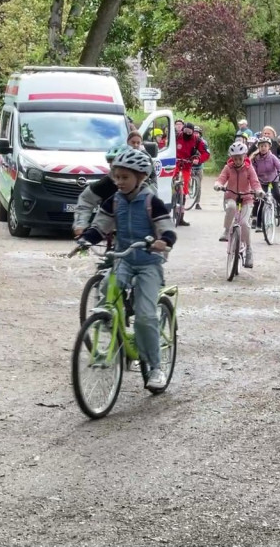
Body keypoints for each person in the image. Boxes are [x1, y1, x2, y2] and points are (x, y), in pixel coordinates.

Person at [77, 149, 177, 389]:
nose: (119, 182)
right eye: (116, 177)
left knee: (145, 315)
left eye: (124, 177)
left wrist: (165, 241)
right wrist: (86, 238)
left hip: (148, 264)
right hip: (124, 259)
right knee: (105, 288)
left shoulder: (151, 201)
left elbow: (167, 228)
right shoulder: (115, 200)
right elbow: (101, 225)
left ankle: (155, 368)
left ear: (140, 177)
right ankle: (111, 327)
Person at [73, 137, 158, 237]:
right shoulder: (104, 184)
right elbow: (86, 201)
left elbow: (159, 217)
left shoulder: (145, 188)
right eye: (112, 164)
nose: (115, 169)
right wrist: (81, 225)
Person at [214, 142, 262, 268]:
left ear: (244, 156)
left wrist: (259, 191)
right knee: (231, 207)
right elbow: (222, 178)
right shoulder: (228, 167)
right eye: (235, 158)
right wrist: (218, 184)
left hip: (246, 198)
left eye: (240, 158)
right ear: (231, 158)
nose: (237, 160)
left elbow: (255, 182)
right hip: (231, 196)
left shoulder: (249, 168)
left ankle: (249, 250)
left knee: (245, 224)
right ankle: (226, 230)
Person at [250, 136, 280, 223]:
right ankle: (255, 219)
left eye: (265, 146)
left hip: (272, 179)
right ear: (258, 147)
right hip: (261, 180)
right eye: (261, 146)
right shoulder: (255, 159)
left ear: (269, 147)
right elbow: (252, 171)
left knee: (277, 194)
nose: (263, 148)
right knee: (259, 199)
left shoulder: (272, 157)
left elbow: (279, 166)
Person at [173, 122, 208, 226]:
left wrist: (199, 159)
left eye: (189, 132)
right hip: (176, 164)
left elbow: (206, 153)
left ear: (192, 132)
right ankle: (171, 200)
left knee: (184, 189)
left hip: (187, 166)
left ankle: (181, 215)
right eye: (185, 131)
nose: (187, 133)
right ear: (182, 130)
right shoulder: (177, 136)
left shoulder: (197, 140)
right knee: (171, 182)